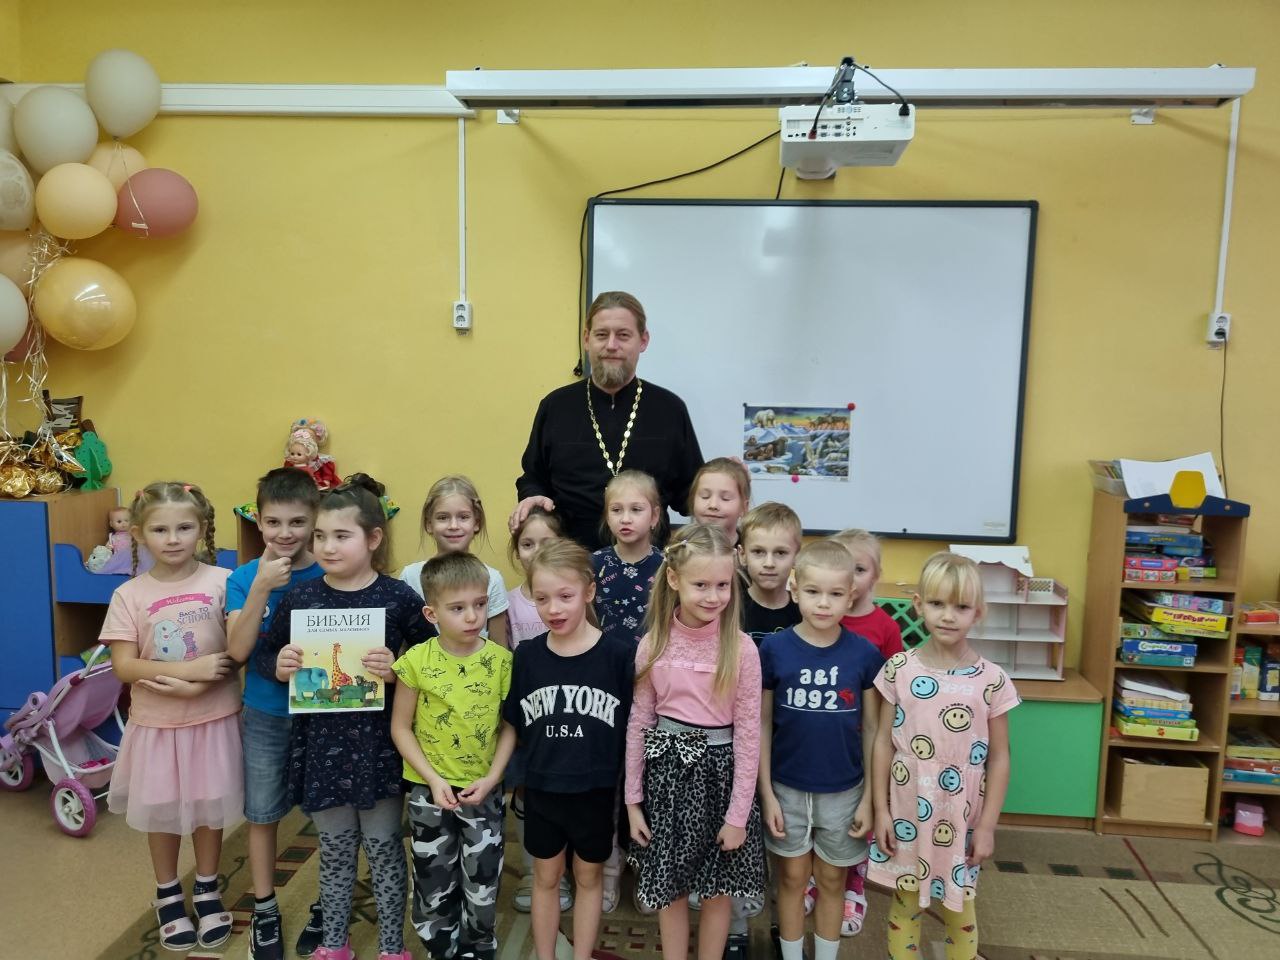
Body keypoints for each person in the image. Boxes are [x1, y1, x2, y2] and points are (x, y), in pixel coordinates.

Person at [264, 475, 432, 960]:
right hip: (322, 747)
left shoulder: (399, 597)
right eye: (320, 536)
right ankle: (334, 943)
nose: (327, 546)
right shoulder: (300, 597)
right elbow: (266, 654)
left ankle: (392, 947)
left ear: (373, 538)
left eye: (342, 535)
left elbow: (436, 659)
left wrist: (399, 670)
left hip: (378, 748)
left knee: (383, 848)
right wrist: (279, 665)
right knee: (334, 849)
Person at [102, 482, 240, 952]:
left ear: (202, 529)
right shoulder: (129, 594)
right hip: (157, 726)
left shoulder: (224, 581)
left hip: (213, 720)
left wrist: (204, 679)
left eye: (185, 527)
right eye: (160, 530)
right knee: (161, 811)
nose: (174, 538)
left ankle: (207, 887)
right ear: (139, 534)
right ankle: (167, 894)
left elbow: (239, 649)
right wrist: (188, 670)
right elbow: (124, 666)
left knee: (208, 807)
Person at [625, 524, 765, 960]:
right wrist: (632, 801)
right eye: (701, 584)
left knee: (717, 892)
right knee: (670, 890)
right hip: (667, 779)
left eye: (722, 585)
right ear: (674, 579)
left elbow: (748, 737)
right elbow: (639, 722)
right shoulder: (653, 644)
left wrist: (737, 816)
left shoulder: (742, 650)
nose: (713, 595)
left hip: (720, 781)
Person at [869, 552, 1019, 960]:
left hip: (960, 816)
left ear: (978, 612)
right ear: (919, 605)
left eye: (961, 607)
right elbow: (882, 741)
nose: (948, 616)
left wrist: (987, 827)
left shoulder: (992, 679)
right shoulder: (899, 669)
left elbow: (1000, 758)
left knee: (959, 911)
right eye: (937, 604)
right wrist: (881, 810)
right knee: (905, 904)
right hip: (907, 809)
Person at [504, 540, 635, 960]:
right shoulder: (527, 656)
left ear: (589, 591)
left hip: (595, 791)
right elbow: (515, 725)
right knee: (546, 878)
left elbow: (633, 730)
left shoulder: (618, 656)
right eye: (542, 598)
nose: (553, 608)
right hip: (542, 789)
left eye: (565, 596)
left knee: (589, 877)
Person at [758, 541, 883, 960]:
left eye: (835, 594)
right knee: (792, 879)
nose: (824, 603)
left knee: (832, 881)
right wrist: (766, 793)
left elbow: (872, 729)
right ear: (794, 590)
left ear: (851, 595)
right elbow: (761, 724)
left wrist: (870, 798)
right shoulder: (773, 649)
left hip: (845, 791)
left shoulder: (865, 654)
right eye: (813, 592)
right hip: (786, 789)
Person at [390, 552, 515, 960]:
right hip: (429, 791)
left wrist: (494, 778)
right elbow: (400, 727)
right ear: (432, 613)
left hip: (483, 790)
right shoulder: (416, 661)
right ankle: (439, 948)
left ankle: (478, 947)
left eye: (479, 604)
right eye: (458, 608)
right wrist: (432, 778)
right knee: (432, 879)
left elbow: (510, 727)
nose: (473, 616)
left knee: (482, 881)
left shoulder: (502, 662)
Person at [512, 291, 704, 550]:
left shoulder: (669, 409)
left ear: (643, 341)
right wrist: (533, 496)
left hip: (649, 563)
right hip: (568, 562)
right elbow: (534, 477)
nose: (611, 345)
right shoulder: (556, 406)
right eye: (602, 335)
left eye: (623, 335)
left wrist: (723, 480)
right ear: (587, 339)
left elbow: (688, 493)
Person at [226, 468, 326, 960]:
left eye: (297, 522)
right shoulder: (244, 578)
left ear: (315, 520)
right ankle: (265, 908)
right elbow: (237, 650)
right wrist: (262, 587)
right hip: (266, 713)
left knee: (328, 813)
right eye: (273, 522)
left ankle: (328, 903)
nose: (285, 533)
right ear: (258, 521)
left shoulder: (331, 570)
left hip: (324, 716)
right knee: (262, 813)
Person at [501, 506, 573, 915]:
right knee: (529, 791)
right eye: (527, 544)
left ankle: (569, 869)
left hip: (571, 713)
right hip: (529, 717)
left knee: (568, 792)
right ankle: (535, 871)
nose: (537, 551)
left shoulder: (574, 598)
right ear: (517, 551)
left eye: (547, 542)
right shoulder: (510, 603)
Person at [401, 476, 509, 647]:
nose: (453, 525)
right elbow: (404, 645)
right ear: (429, 524)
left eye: (463, 517)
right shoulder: (410, 577)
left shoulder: (492, 579)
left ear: (476, 523)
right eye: (443, 517)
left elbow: (500, 647)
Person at [592, 469, 664, 650]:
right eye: (616, 510)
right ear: (607, 516)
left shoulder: (667, 566)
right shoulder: (594, 564)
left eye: (636, 510)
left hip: (653, 659)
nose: (625, 519)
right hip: (606, 659)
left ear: (654, 516)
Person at [738, 502, 802, 647]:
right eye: (758, 552)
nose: (769, 563)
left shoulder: (805, 611)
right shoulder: (730, 608)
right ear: (742, 555)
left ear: (797, 557)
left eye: (780, 553)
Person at [689, 458, 751, 546]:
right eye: (705, 496)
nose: (713, 505)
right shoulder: (680, 549)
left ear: (743, 508)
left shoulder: (752, 551)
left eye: (725, 498)